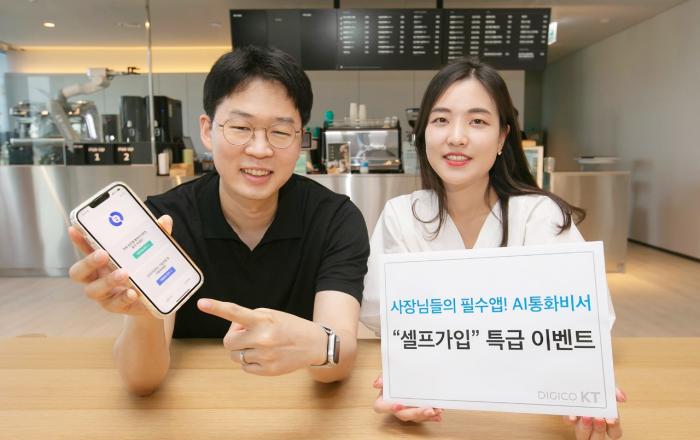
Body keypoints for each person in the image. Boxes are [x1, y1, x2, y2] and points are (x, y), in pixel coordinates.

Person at [68, 46, 369, 395]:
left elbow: (336, 363)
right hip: (195, 401)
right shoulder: (165, 221)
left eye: (280, 131)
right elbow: (142, 381)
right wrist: (145, 317)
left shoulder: (335, 220)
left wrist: (320, 344)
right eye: (240, 127)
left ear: (301, 138)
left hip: (293, 395)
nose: (260, 149)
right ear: (207, 130)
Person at [359, 57, 625, 439]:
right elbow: (384, 318)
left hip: (522, 415)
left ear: (502, 138)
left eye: (478, 121)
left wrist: (584, 383)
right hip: (444, 414)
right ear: (423, 132)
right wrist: (409, 384)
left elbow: (582, 321)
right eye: (441, 119)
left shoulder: (538, 215)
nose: (456, 137)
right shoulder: (403, 215)